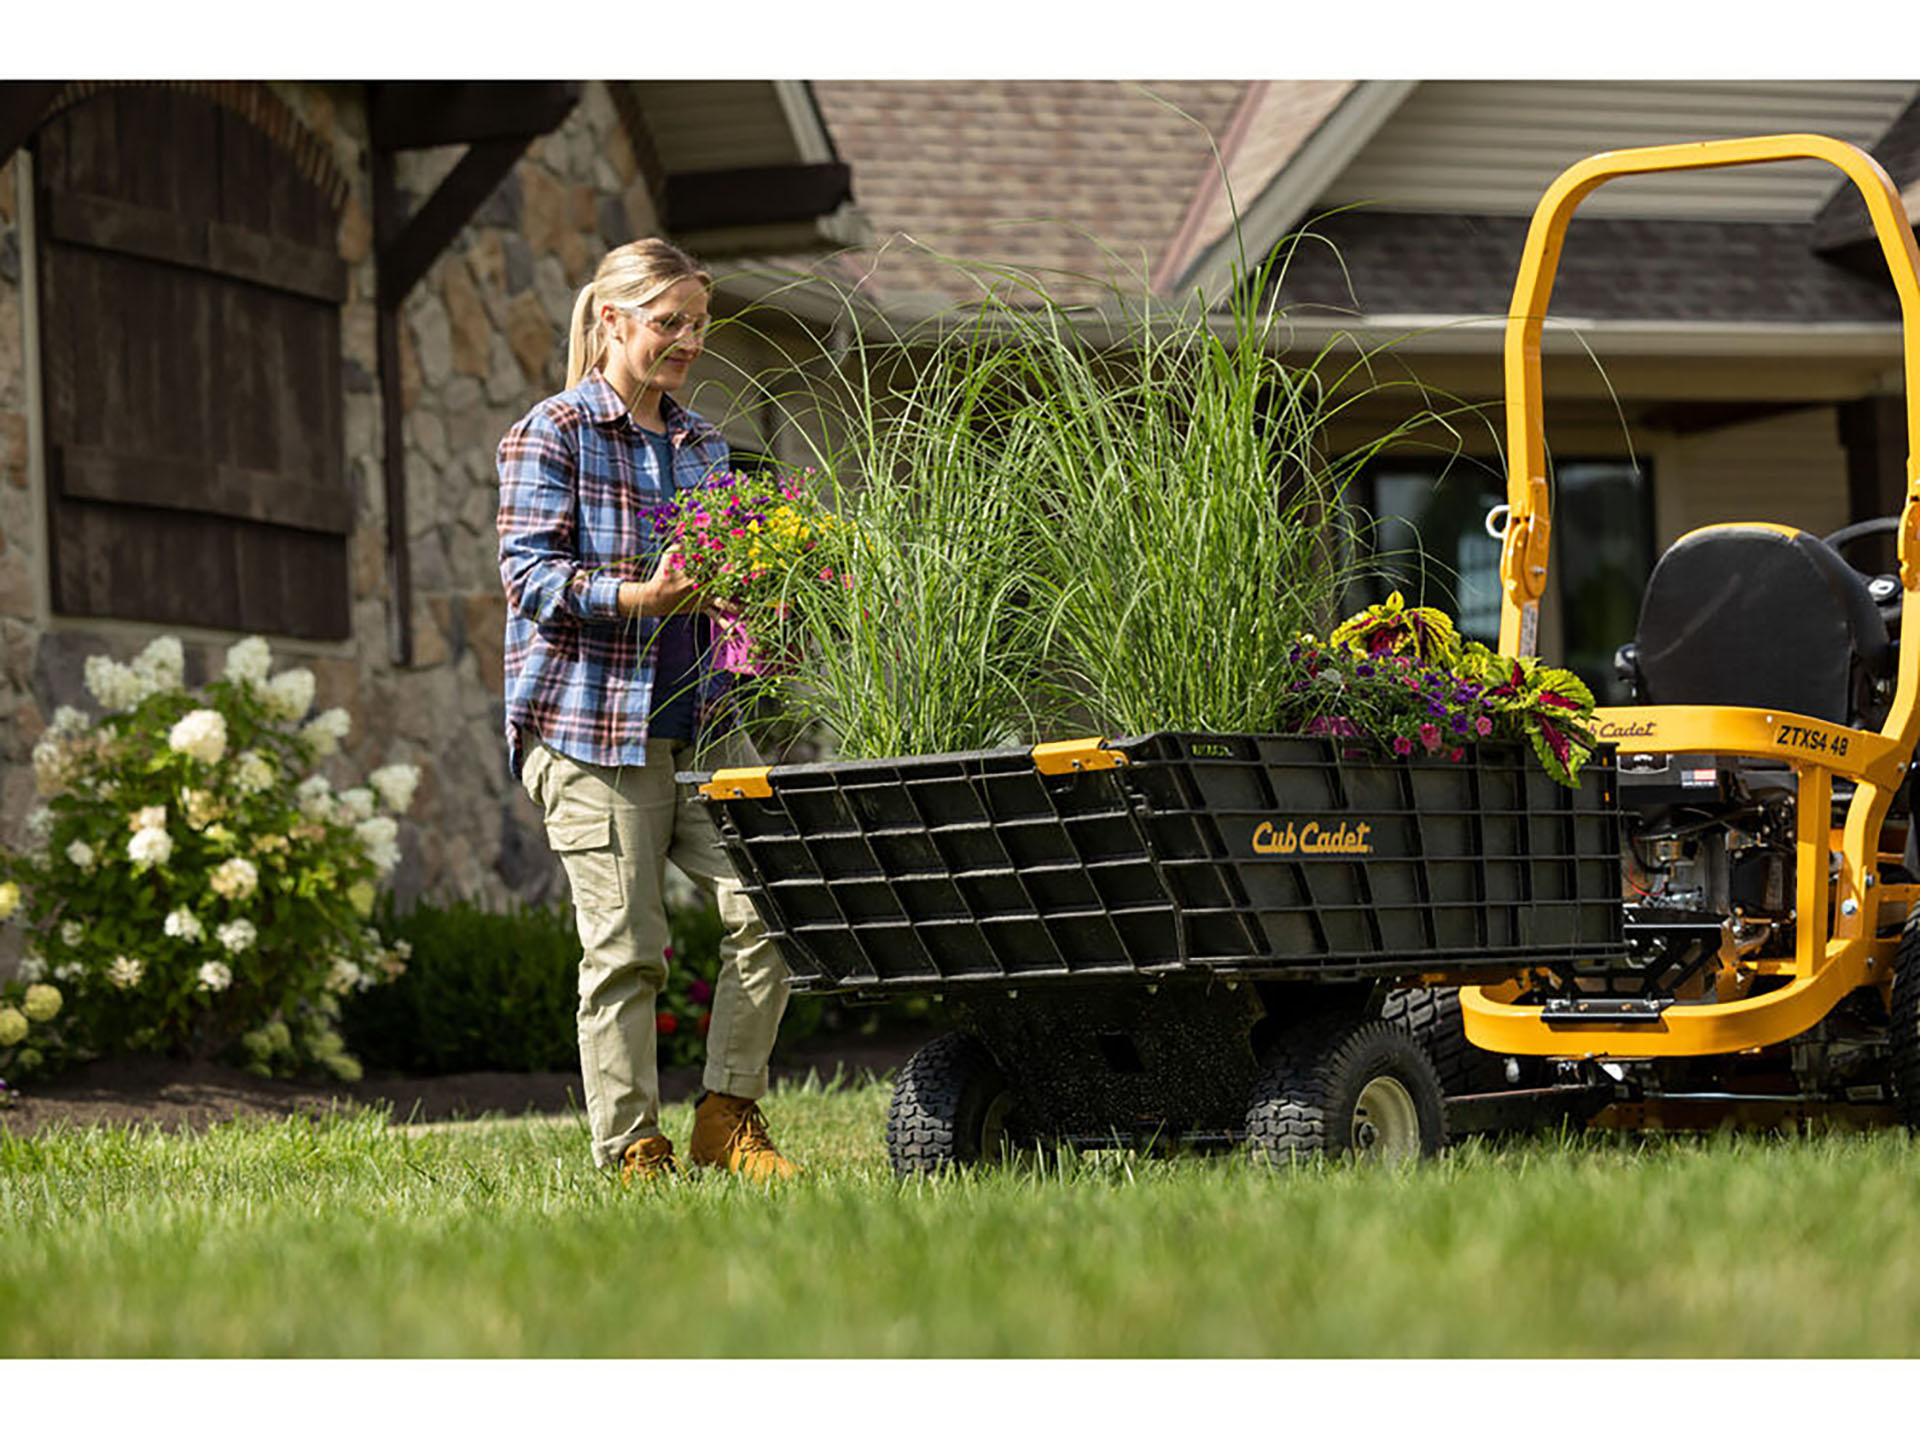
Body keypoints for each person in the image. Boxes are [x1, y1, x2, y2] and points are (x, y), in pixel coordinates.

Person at [495, 238, 796, 1185]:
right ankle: (633, 1146)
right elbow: (531, 578)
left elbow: (724, 567)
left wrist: (759, 597)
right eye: (670, 323)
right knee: (628, 951)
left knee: (778, 902)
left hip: (703, 721)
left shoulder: (705, 442)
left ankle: (725, 1113)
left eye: (699, 325)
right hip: (593, 727)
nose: (689, 341)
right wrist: (640, 597)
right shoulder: (551, 433)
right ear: (613, 320)